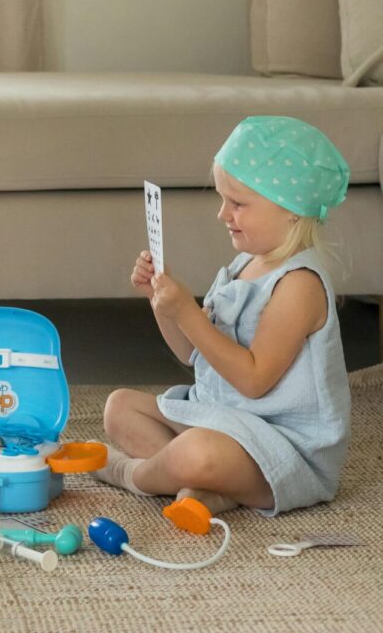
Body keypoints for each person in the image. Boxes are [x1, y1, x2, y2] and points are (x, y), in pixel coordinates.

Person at [95, 115, 351, 517]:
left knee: (198, 452)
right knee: (120, 408)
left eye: (238, 203)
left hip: (280, 448)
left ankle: (135, 475)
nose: (222, 214)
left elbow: (253, 380)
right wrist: (162, 302)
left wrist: (187, 310)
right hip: (222, 419)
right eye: (223, 200)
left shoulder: (299, 285)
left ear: (290, 210)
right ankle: (212, 489)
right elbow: (191, 353)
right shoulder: (245, 264)